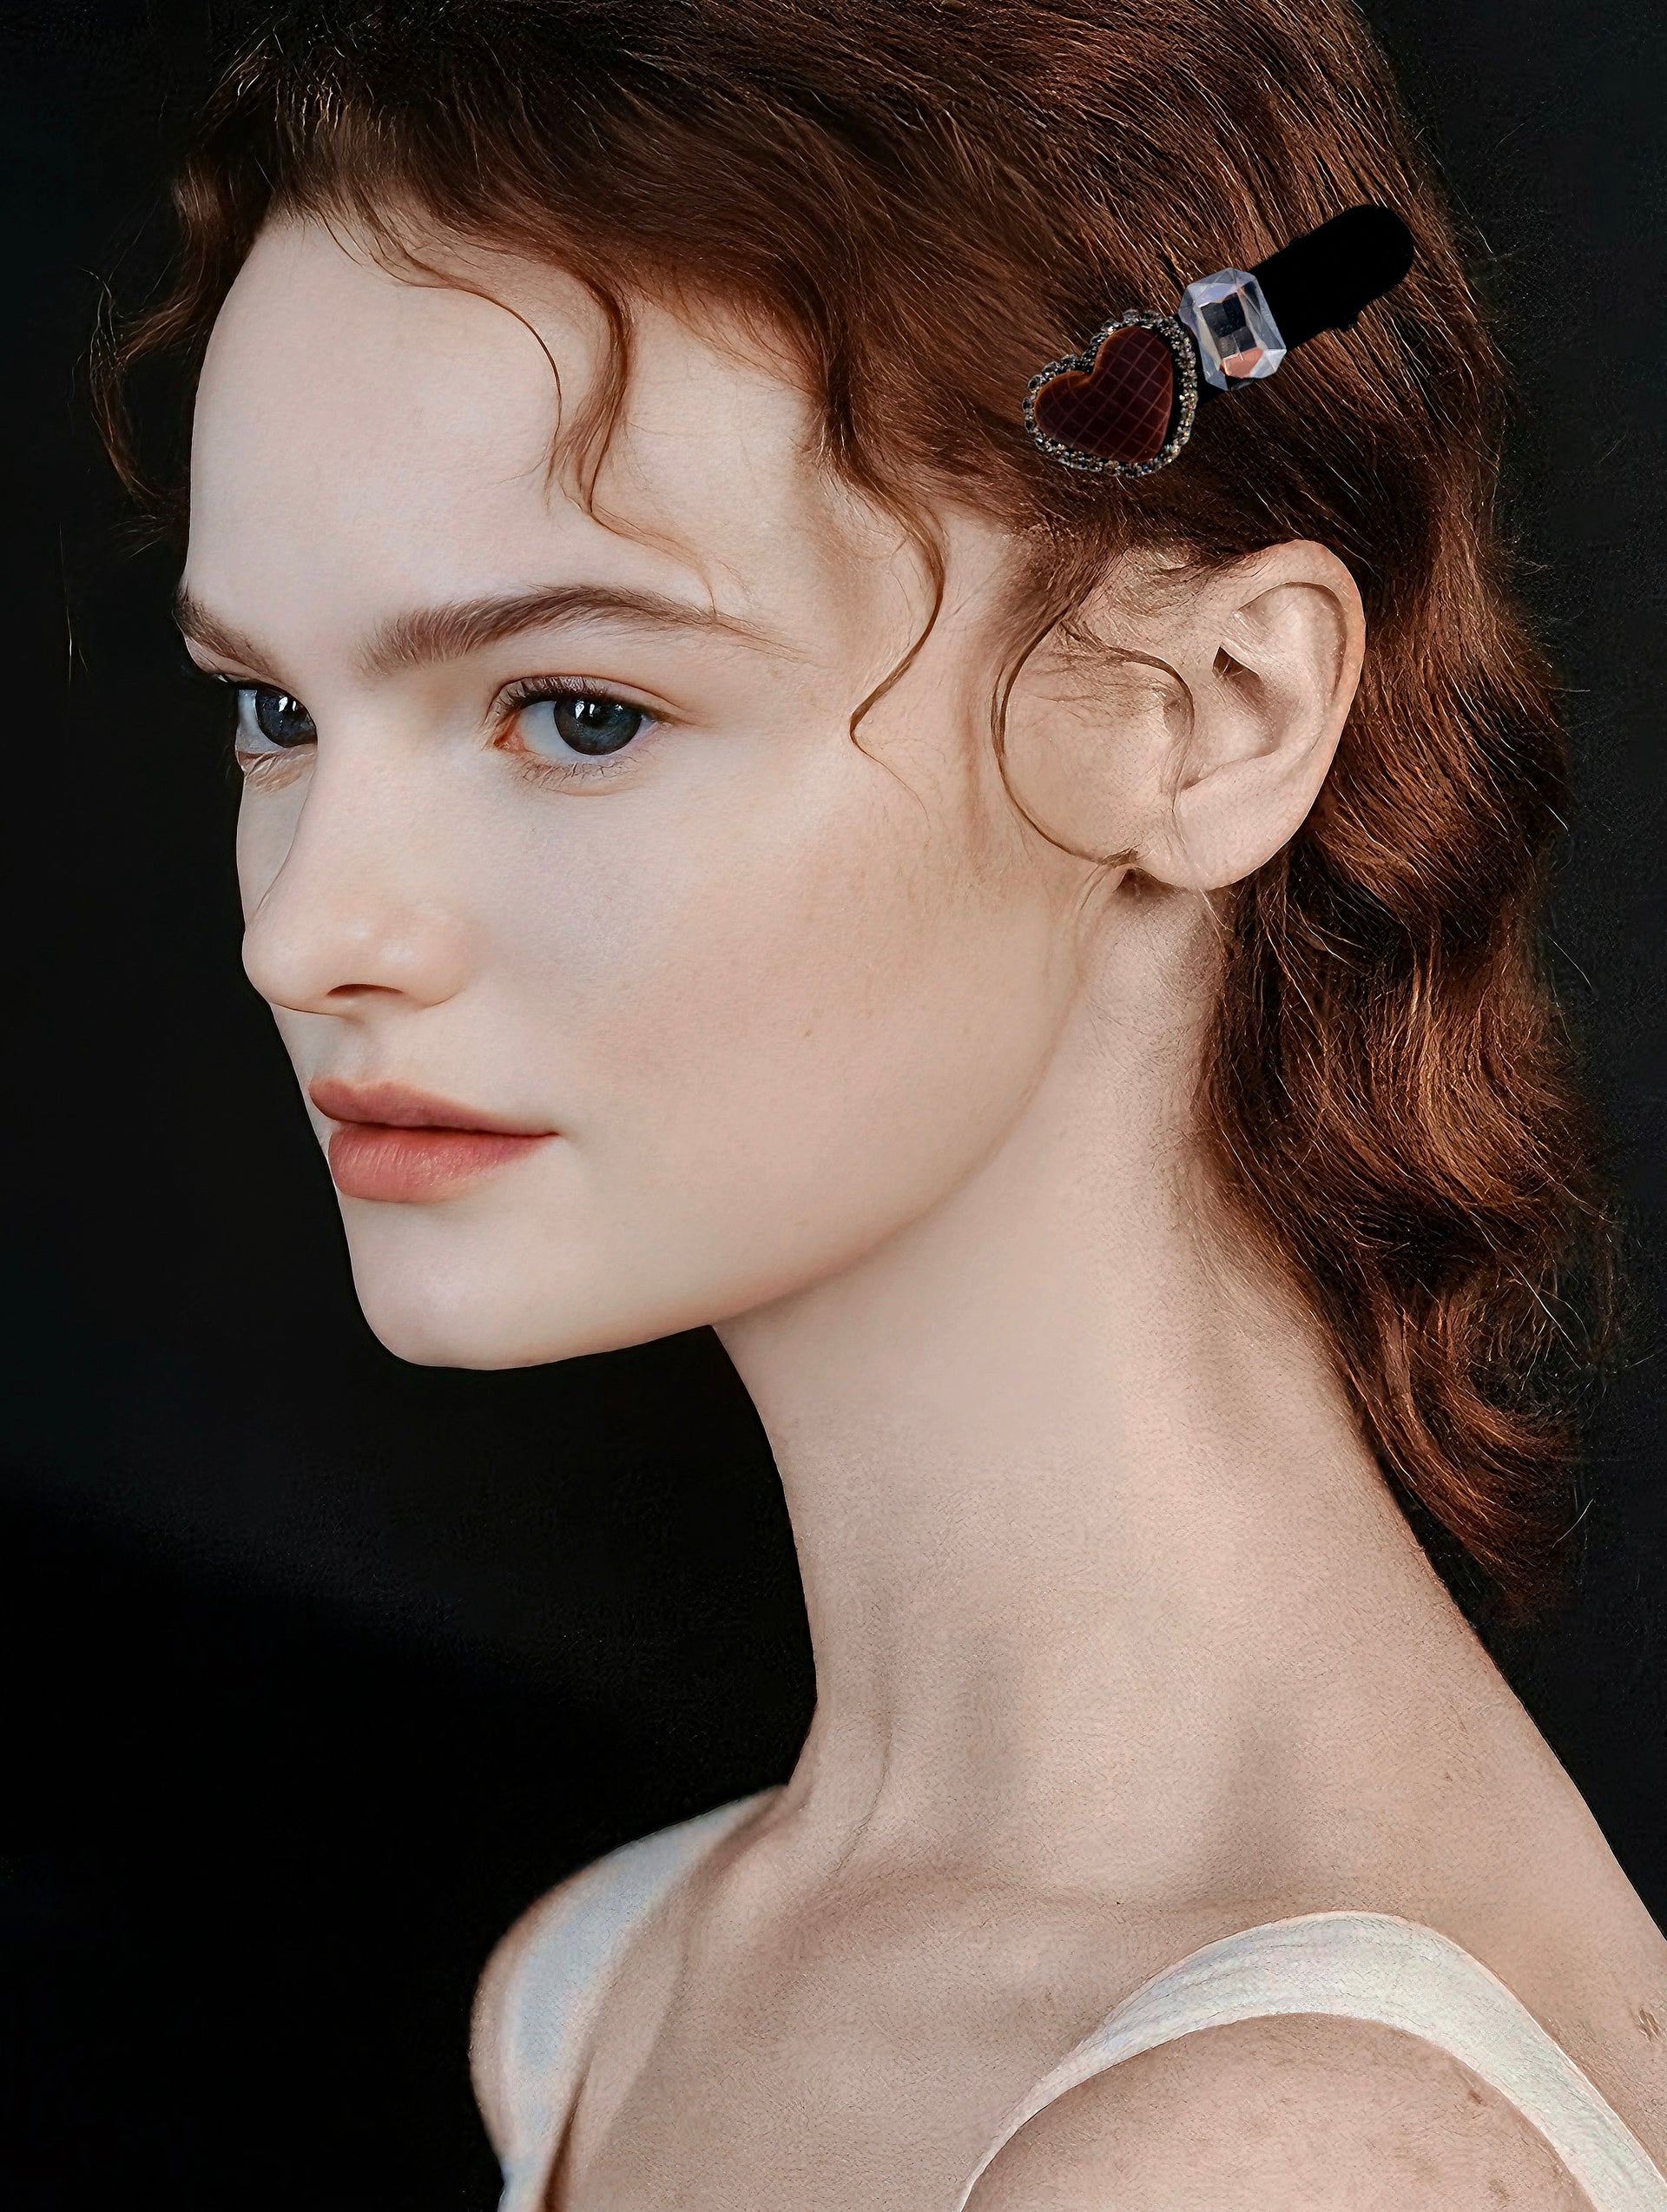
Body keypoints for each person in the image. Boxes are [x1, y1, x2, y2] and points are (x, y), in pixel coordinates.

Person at [97, 1, 1667, 2205]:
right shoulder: (600, 1991)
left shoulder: (1276, 2157)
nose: (309, 932)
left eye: (577, 706)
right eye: (275, 710)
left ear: (1210, 713)